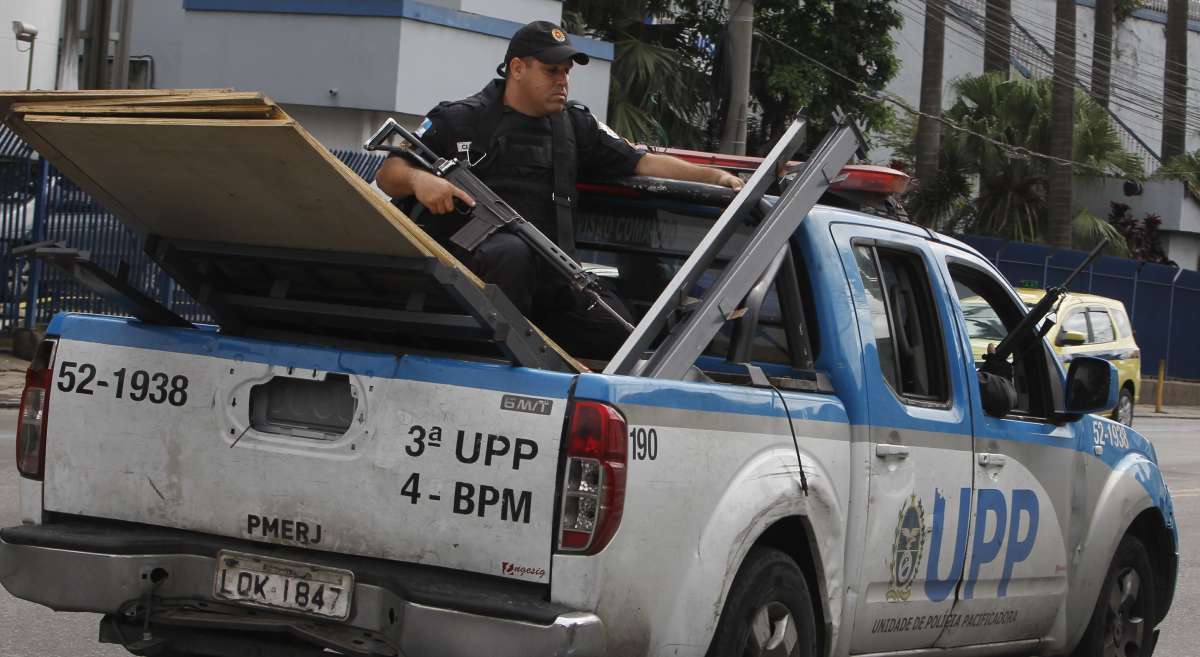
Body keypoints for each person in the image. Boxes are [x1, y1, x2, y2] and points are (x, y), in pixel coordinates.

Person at [376, 20, 743, 359]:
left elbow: (639, 161)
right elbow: (389, 172)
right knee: (510, 252)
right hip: (471, 287)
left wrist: (714, 178)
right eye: (552, 71)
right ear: (517, 69)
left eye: (566, 72)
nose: (563, 81)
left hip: (554, 281)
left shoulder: (573, 127)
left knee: (624, 333)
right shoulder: (460, 119)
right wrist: (420, 180)